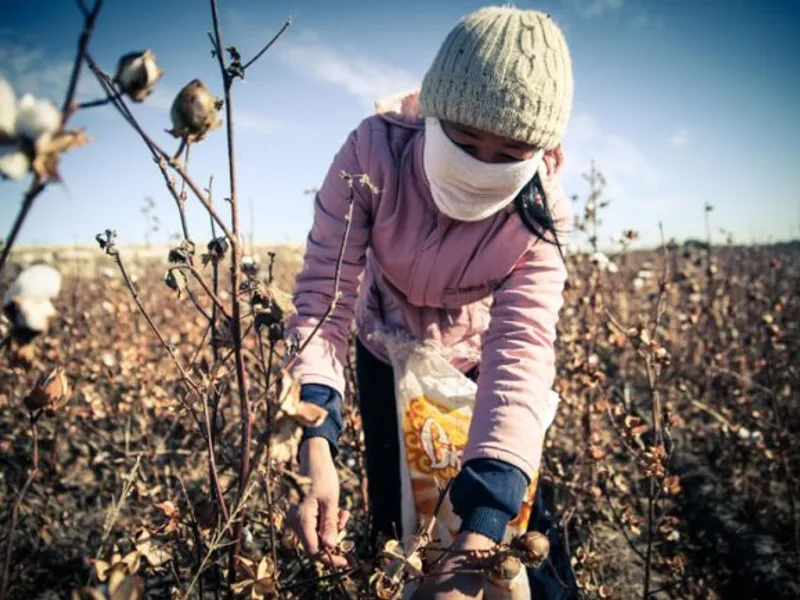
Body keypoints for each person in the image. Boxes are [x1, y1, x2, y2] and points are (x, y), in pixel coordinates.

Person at [286, 5, 578, 598]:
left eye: (510, 153)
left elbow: (520, 354)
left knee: (517, 537)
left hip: (472, 364)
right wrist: (312, 436)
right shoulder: (375, 153)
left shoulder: (541, 214)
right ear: (432, 115)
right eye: (465, 140)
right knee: (399, 521)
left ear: (540, 150)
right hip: (380, 349)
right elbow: (324, 298)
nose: (480, 167)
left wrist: (482, 531)